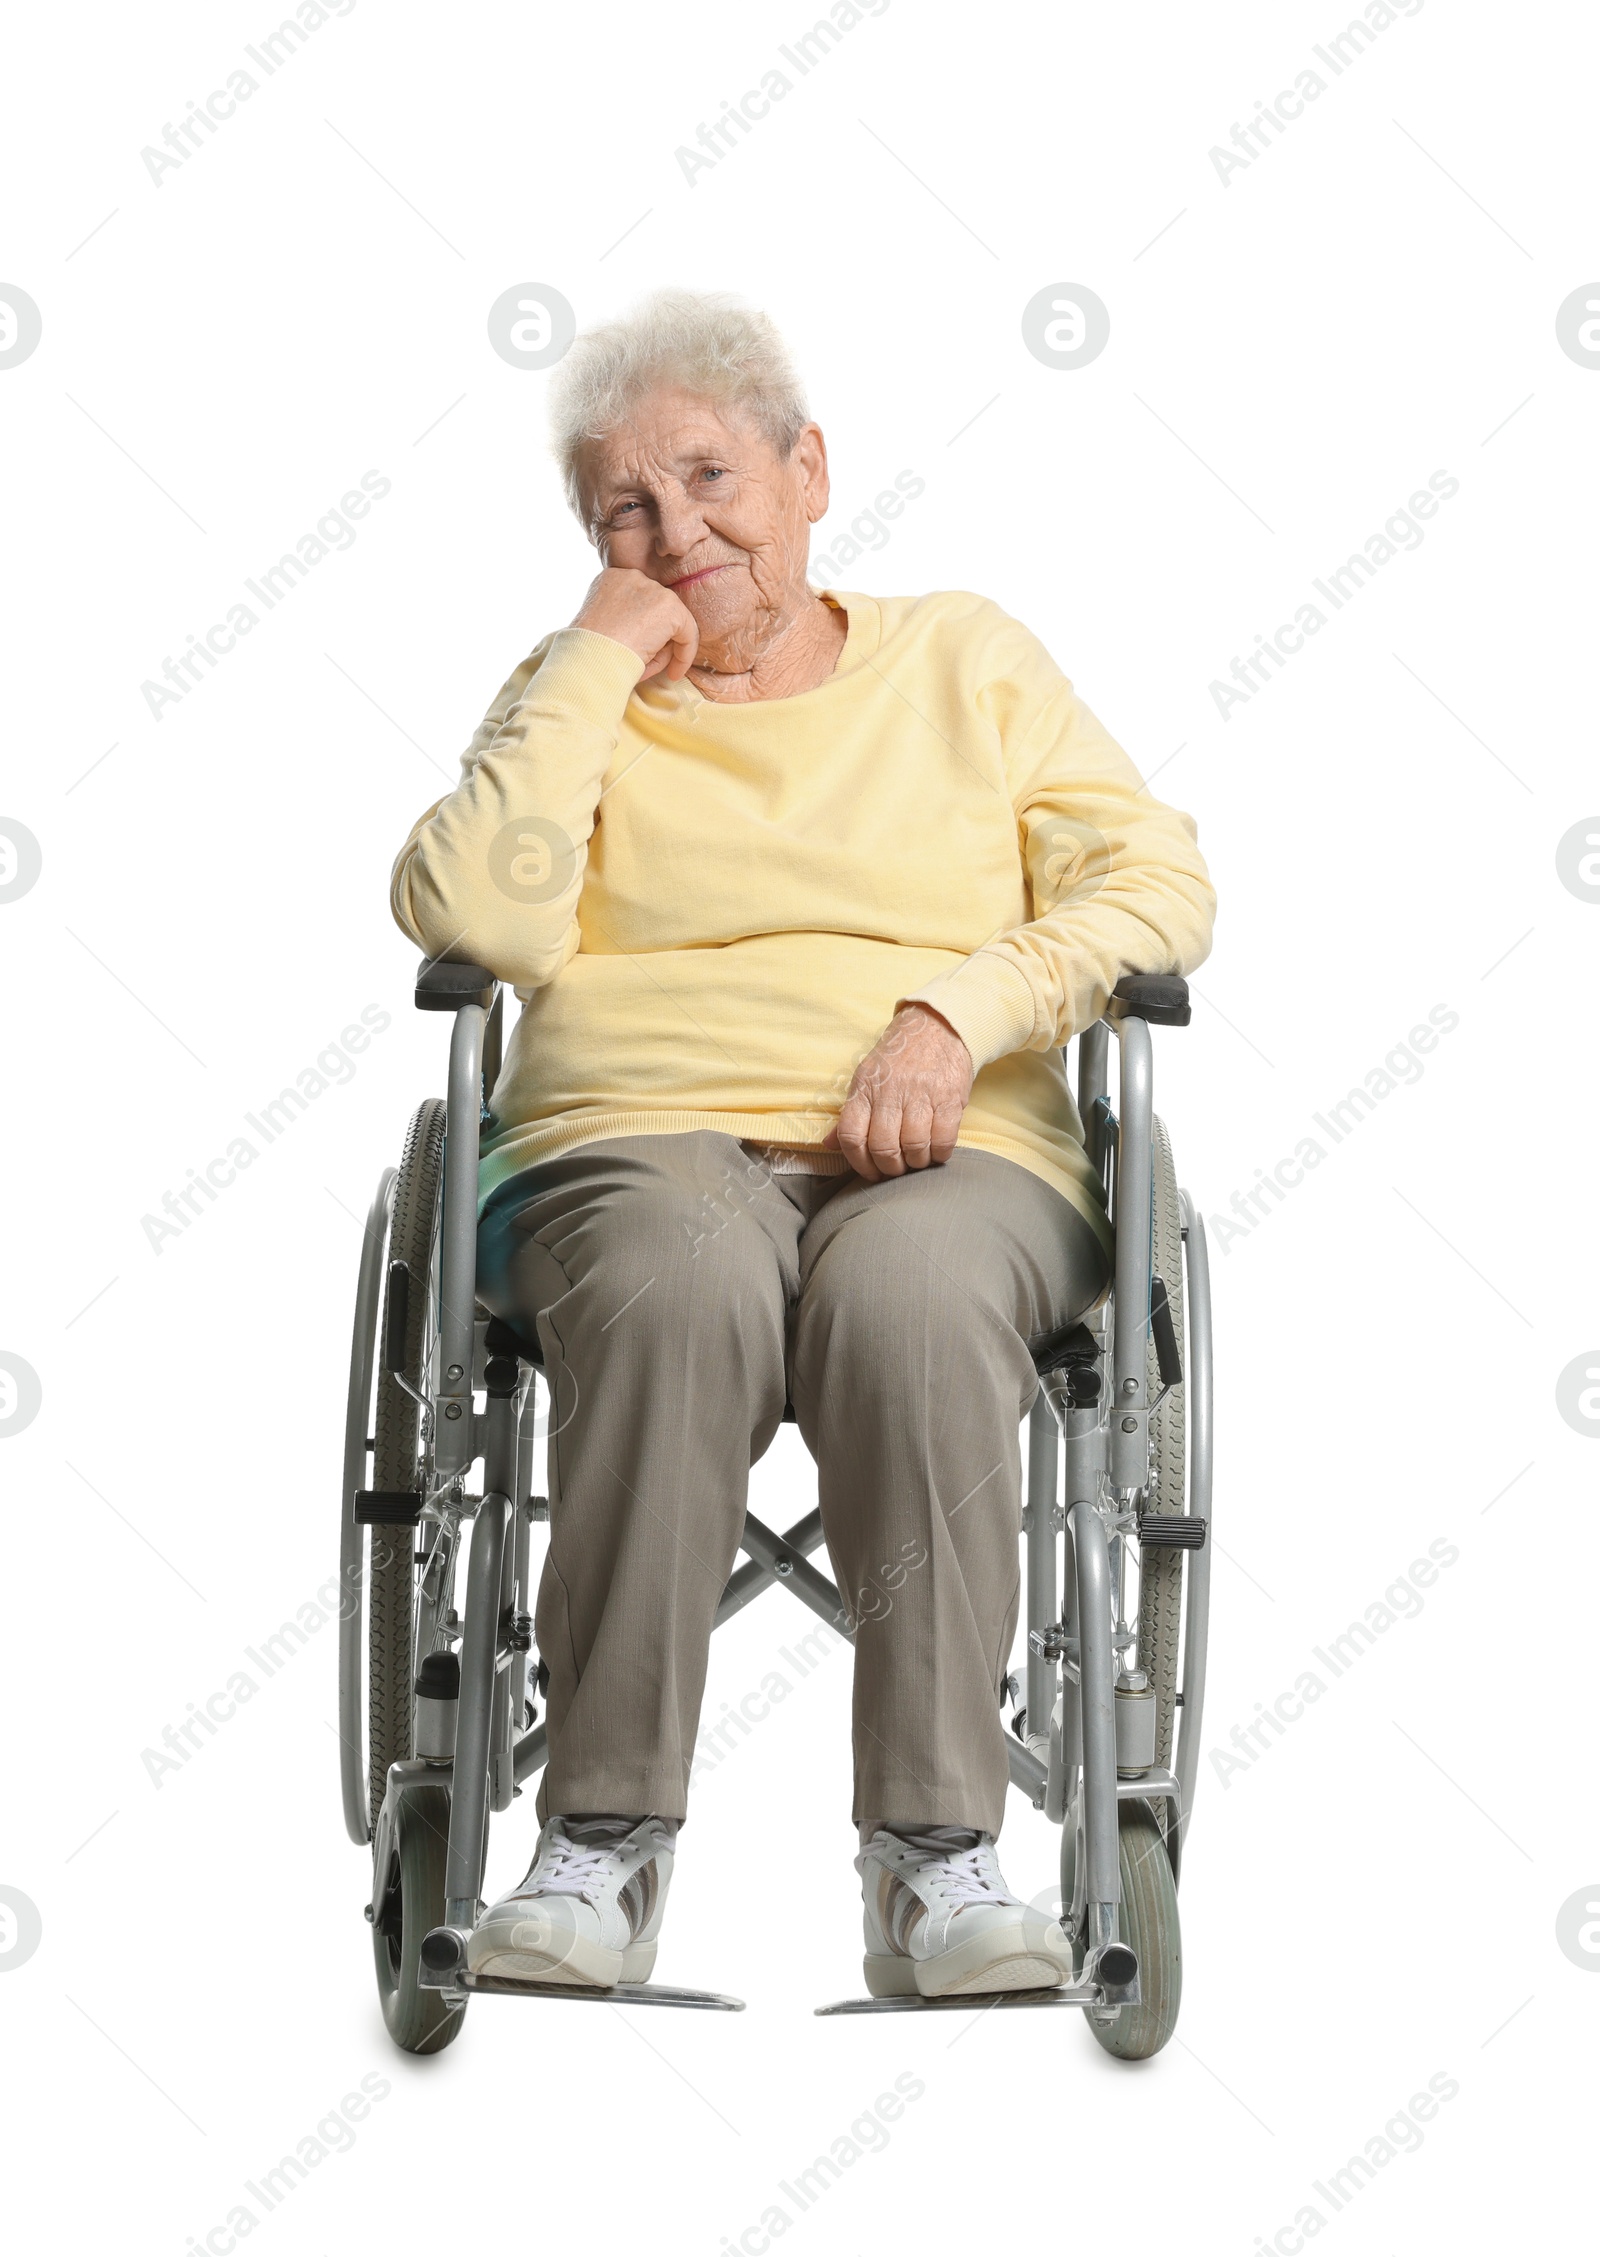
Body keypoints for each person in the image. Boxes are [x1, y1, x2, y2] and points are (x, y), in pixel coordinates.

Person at [390, 289, 1215, 1998]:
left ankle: (936, 1857)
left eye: (709, 476)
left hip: (953, 1146)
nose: (678, 530)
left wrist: (961, 1010)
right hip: (634, 1137)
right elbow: (472, 914)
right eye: (626, 507)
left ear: (809, 469)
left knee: (914, 1304)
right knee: (683, 1283)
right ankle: (600, 1841)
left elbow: (1157, 889)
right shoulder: (578, 691)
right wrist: (600, 657)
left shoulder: (965, 658)